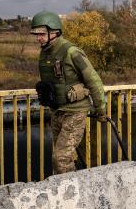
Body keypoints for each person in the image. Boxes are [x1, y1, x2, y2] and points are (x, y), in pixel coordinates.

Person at [30, 11, 106, 174]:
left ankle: (71, 194)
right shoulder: (45, 53)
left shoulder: (72, 52)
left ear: (55, 32)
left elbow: (94, 80)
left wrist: (100, 109)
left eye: (42, 34)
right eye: (36, 35)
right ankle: (64, 189)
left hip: (75, 112)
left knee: (61, 158)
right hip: (57, 111)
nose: (38, 38)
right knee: (58, 157)